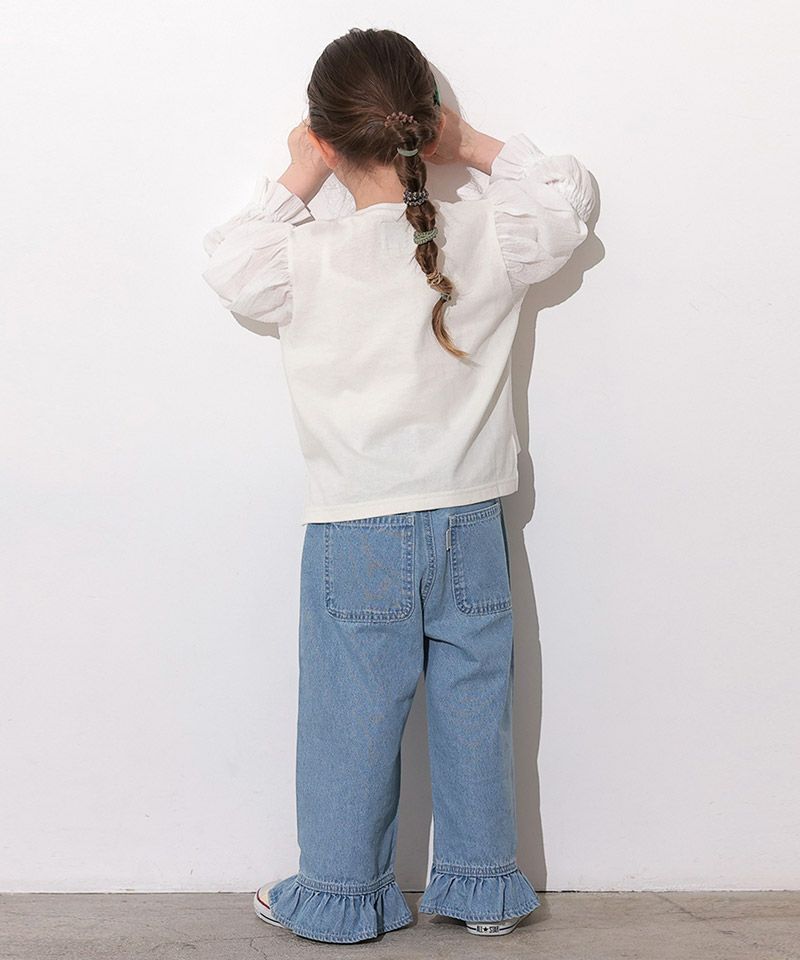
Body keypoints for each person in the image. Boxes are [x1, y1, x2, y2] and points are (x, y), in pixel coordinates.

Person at [201, 26, 596, 946]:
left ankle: (342, 894)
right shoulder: (490, 233)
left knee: (350, 718)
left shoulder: (303, 259)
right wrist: (473, 144)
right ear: (427, 122)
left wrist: (301, 172)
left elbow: (227, 260)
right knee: (475, 705)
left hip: (356, 532)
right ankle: (484, 886)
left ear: (327, 136)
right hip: (471, 524)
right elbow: (566, 194)